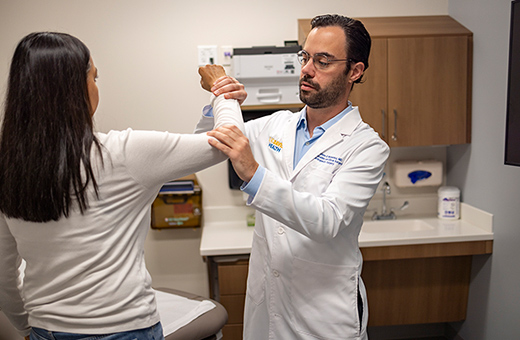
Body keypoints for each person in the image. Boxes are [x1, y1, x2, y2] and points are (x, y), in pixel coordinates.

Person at [0, 32, 244, 340]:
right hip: (122, 330)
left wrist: (26, 327)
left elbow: (3, 272)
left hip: (46, 331)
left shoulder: (10, 166)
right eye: (95, 78)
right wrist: (221, 88)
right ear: (75, 88)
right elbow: (230, 141)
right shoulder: (122, 153)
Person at [204, 14, 390, 340]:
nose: (306, 69)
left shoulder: (367, 147)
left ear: (355, 71)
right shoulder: (275, 126)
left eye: (323, 61)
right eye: (305, 57)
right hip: (267, 306)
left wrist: (253, 173)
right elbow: (211, 146)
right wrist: (221, 99)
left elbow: (326, 220)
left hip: (323, 316)